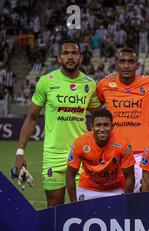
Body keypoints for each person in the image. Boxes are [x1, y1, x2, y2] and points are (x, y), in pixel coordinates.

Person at [15, 40, 101, 207]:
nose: (70, 57)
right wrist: (20, 152)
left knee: (83, 208)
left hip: (81, 155)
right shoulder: (47, 81)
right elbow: (32, 117)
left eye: (74, 53)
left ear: (80, 58)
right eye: (66, 53)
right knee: (54, 209)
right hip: (53, 155)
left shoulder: (89, 84)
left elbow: (99, 117)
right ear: (59, 58)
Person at [97, 47, 149, 192]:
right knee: (112, 198)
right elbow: (93, 107)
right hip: (112, 151)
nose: (126, 65)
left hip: (140, 153)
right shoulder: (105, 84)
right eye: (122, 62)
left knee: (138, 198)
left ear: (137, 65)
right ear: (116, 65)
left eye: (131, 62)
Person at [66, 108, 135, 201]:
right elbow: (70, 174)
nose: (102, 129)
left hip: (115, 189)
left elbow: (129, 175)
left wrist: (126, 202)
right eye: (98, 125)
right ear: (92, 126)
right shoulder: (80, 143)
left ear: (112, 126)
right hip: (88, 188)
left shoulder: (123, 144)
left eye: (106, 125)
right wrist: (73, 203)